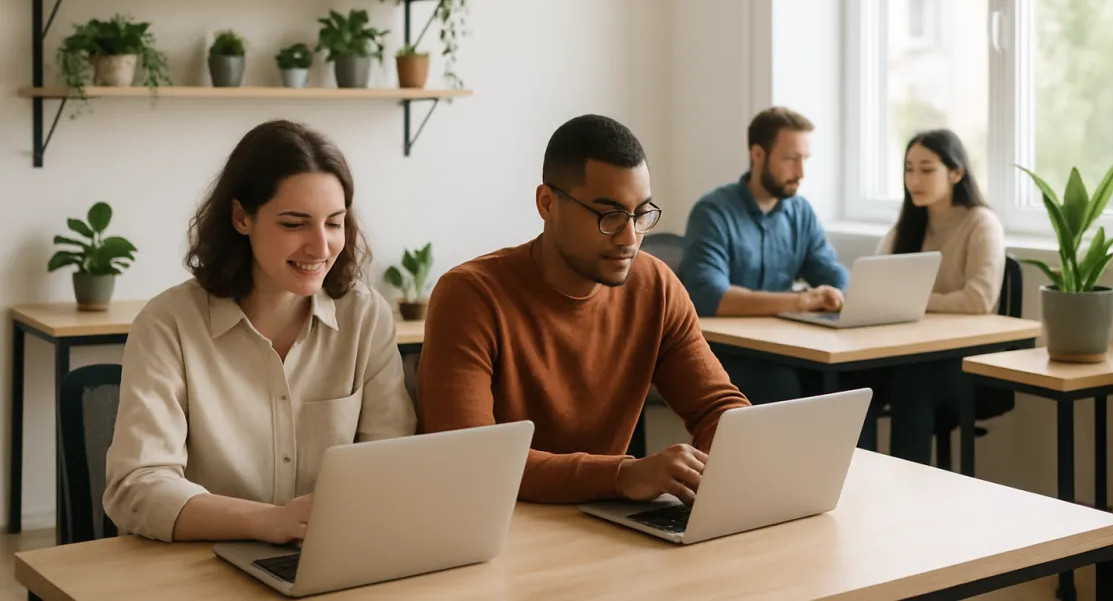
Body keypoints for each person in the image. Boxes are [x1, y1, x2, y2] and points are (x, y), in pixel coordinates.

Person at [103, 120, 416, 543]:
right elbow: (136, 486)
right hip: (198, 566)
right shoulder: (168, 324)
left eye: (334, 223)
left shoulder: (365, 316)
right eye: (294, 223)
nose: (321, 247)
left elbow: (393, 463)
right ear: (241, 218)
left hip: (332, 557)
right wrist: (267, 521)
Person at [417, 114, 750, 506]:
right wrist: (623, 475)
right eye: (608, 215)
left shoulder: (655, 287)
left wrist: (711, 476)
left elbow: (720, 408)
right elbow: (472, 459)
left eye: (641, 214)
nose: (630, 238)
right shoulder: (470, 296)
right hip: (497, 525)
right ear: (547, 204)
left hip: (601, 523)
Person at [678, 107, 849, 404]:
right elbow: (708, 296)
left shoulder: (800, 211)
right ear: (757, 154)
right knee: (779, 385)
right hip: (727, 351)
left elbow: (832, 274)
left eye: (804, 159)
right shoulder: (713, 211)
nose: (801, 172)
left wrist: (839, 294)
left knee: (845, 382)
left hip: (784, 344)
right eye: (790, 159)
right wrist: (799, 301)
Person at [879, 129, 1005, 463]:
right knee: (845, 380)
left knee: (912, 383)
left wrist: (910, 300)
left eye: (926, 169)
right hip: (907, 352)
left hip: (964, 360)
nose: (914, 179)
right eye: (908, 169)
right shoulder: (907, 225)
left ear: (956, 172)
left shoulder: (981, 223)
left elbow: (979, 300)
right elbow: (876, 287)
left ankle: (906, 492)